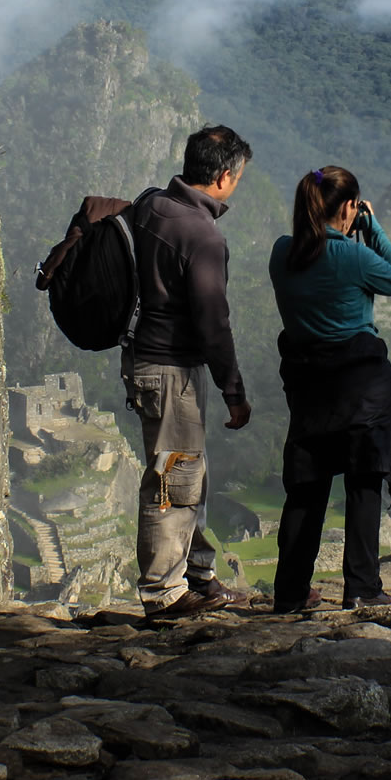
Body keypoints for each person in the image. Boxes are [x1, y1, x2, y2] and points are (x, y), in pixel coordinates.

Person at [267, 166, 391, 612]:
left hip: (309, 387)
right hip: (361, 387)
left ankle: (290, 593)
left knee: (306, 489)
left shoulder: (283, 253)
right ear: (350, 207)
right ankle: (361, 587)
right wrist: (373, 227)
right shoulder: (354, 256)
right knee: (363, 482)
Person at [125, 125, 254, 620]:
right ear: (223, 176)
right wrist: (233, 391)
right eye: (238, 177)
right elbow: (213, 324)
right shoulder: (202, 236)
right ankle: (164, 592)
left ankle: (197, 574)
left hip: (146, 362)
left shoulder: (152, 204)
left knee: (187, 474)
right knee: (173, 480)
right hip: (172, 368)